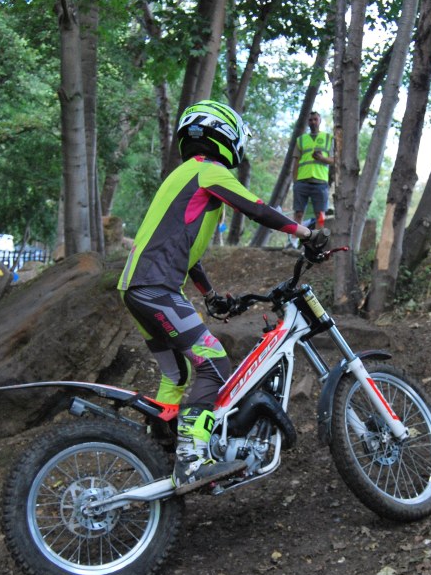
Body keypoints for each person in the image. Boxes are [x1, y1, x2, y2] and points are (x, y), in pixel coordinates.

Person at [118, 100, 326, 494]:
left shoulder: (183, 175)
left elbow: (184, 250)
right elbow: (256, 208)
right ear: (225, 135)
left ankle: (158, 447)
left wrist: (210, 294)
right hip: (156, 288)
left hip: (137, 289)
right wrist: (307, 233)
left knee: (176, 375)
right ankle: (192, 458)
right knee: (214, 363)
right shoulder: (208, 170)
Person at [288, 111, 334, 248]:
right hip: (302, 181)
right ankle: (293, 242)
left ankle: (317, 242)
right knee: (298, 212)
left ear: (320, 121)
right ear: (308, 122)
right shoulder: (301, 140)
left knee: (320, 214)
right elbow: (296, 161)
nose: (313, 122)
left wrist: (322, 158)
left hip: (320, 181)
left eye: (315, 119)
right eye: (310, 120)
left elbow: (335, 160)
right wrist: (295, 181)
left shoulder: (328, 138)